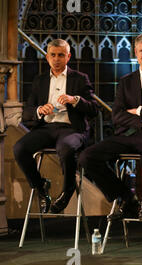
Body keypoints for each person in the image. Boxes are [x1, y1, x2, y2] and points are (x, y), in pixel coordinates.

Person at [79, 33, 142, 221]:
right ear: (135, 52)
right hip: (129, 134)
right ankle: (127, 197)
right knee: (87, 157)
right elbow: (117, 115)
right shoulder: (126, 81)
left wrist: (138, 110)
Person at [14, 39, 98, 214]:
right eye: (53, 55)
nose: (57, 59)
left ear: (68, 57)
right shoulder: (40, 80)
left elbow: (93, 110)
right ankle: (40, 186)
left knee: (66, 149)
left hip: (72, 129)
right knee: (19, 148)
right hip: (46, 128)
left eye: (61, 55)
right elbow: (27, 111)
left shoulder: (80, 79)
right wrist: (39, 110)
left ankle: (67, 192)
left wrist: (75, 100)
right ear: (47, 57)